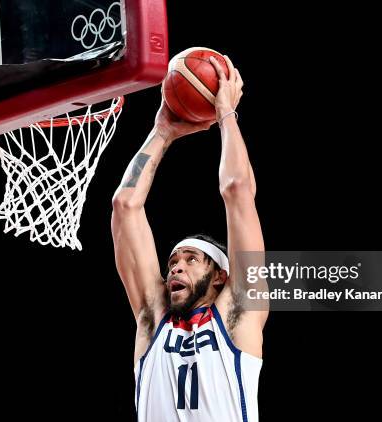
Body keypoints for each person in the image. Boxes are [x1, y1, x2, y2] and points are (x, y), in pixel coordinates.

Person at [111, 54, 267, 421]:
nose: (175, 268)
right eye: (173, 262)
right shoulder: (153, 319)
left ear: (220, 276)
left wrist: (226, 111)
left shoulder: (238, 314)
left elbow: (238, 190)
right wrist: (162, 130)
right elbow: (125, 205)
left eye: (190, 260)